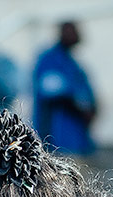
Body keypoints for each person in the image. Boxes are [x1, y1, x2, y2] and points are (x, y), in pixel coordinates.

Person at [32, 20, 98, 157]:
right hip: (57, 138)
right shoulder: (50, 59)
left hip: (76, 137)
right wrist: (81, 109)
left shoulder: (72, 62)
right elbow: (52, 92)